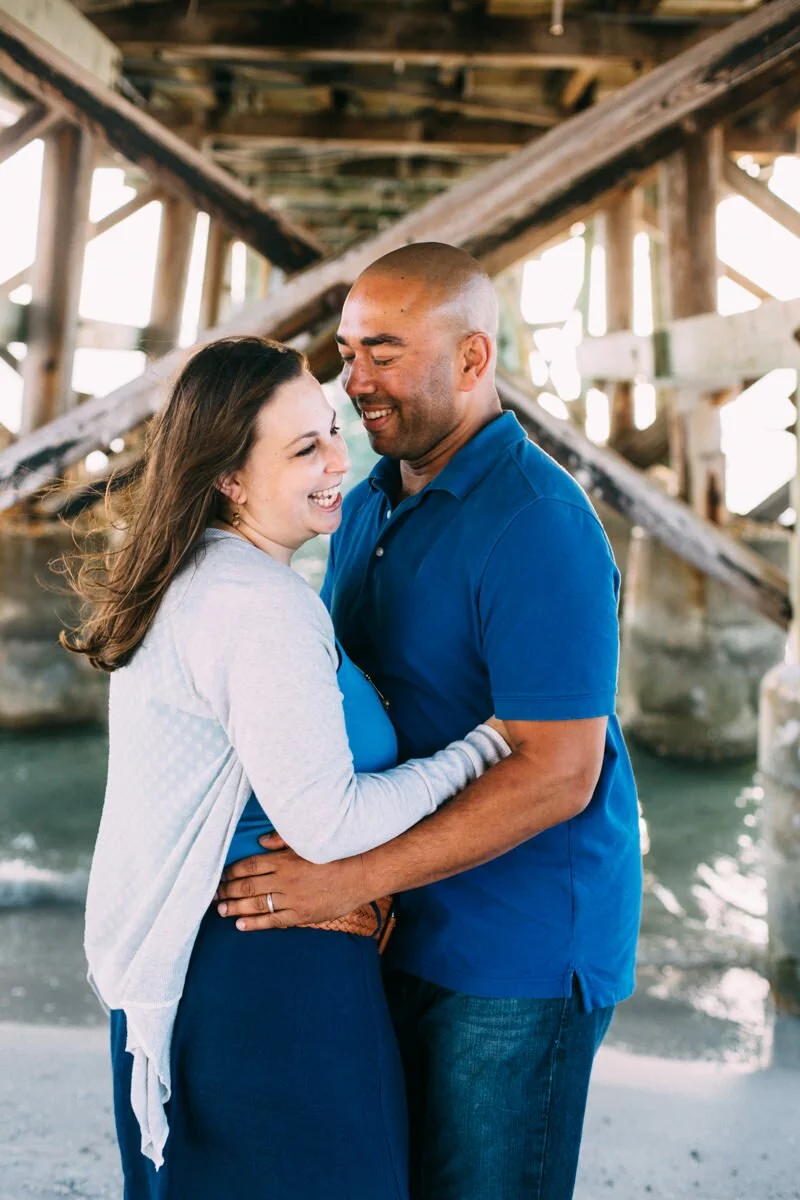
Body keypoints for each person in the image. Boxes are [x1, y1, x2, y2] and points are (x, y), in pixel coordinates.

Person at [216, 243, 643, 1200]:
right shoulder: (369, 500)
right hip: (404, 913)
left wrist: (347, 878)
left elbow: (557, 770)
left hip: (515, 951)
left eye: (384, 352)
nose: (351, 380)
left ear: (473, 359)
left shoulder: (541, 523)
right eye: (345, 350)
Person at [63, 336, 510, 1199]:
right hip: (271, 980)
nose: (339, 460)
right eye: (303, 448)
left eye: (332, 431)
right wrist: (481, 751)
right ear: (229, 478)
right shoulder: (256, 606)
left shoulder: (195, 576)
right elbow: (328, 824)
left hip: (212, 968)